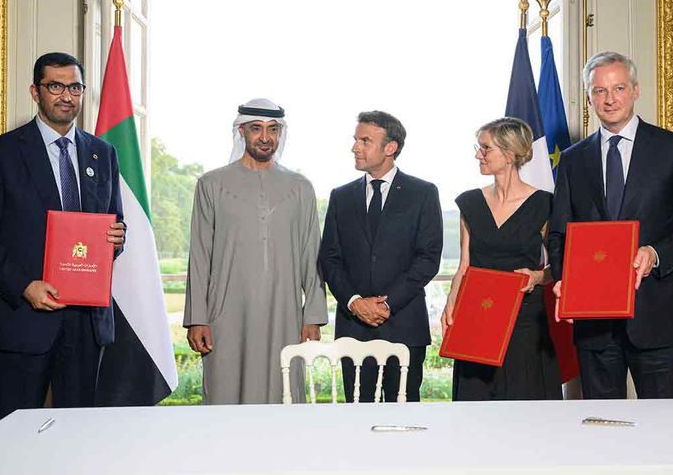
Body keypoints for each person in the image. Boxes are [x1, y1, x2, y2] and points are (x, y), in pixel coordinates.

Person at [0, 52, 126, 423]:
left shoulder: (103, 154)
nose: (66, 96)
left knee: (78, 433)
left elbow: (114, 224)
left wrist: (117, 237)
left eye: (75, 87)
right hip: (21, 317)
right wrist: (24, 285)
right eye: (56, 86)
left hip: (86, 322)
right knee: (14, 434)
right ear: (36, 92)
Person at [548, 51, 673, 399]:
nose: (610, 100)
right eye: (599, 91)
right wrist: (567, 280)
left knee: (660, 429)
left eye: (619, 88)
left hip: (654, 317)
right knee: (601, 430)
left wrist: (656, 253)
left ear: (635, 91)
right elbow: (560, 233)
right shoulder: (573, 159)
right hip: (594, 324)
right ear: (589, 96)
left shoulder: (671, 148)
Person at [183, 98, 327, 404]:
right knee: (225, 390)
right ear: (241, 132)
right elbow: (199, 256)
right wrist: (198, 318)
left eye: (273, 129)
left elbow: (311, 255)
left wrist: (311, 316)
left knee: (284, 390)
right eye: (256, 129)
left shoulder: (300, 187)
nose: (265, 137)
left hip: (285, 314)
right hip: (226, 313)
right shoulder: (211, 184)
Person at [320, 110, 443, 402]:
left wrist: (387, 304)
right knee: (357, 415)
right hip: (354, 327)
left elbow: (427, 258)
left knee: (405, 414)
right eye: (355, 140)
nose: (355, 147)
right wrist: (354, 302)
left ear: (391, 148)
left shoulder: (423, 193)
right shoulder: (341, 196)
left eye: (365, 140)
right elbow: (330, 258)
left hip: (404, 326)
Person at [441, 117, 562, 401]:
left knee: (526, 405)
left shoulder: (545, 204)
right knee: (476, 406)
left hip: (525, 324)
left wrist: (535, 277)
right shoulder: (469, 202)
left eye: (485, 148)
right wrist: (451, 303)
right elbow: (464, 266)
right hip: (477, 318)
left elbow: (557, 269)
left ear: (508, 154)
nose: (477, 154)